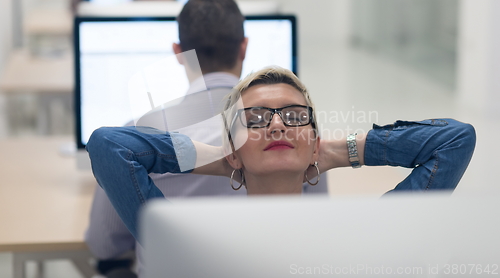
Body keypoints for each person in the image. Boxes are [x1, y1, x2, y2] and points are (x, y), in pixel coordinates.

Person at [85, 0, 328, 277]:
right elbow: (315, 224)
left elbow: (104, 244)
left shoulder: (138, 139)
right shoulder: (295, 137)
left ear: (178, 52)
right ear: (244, 47)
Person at [88, 66, 476, 243]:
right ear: (233, 149)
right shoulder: (191, 241)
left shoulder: (363, 238)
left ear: (315, 141)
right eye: (255, 119)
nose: (276, 126)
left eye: (294, 117)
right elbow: (110, 146)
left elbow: (455, 140)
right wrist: (224, 158)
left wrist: (337, 152)